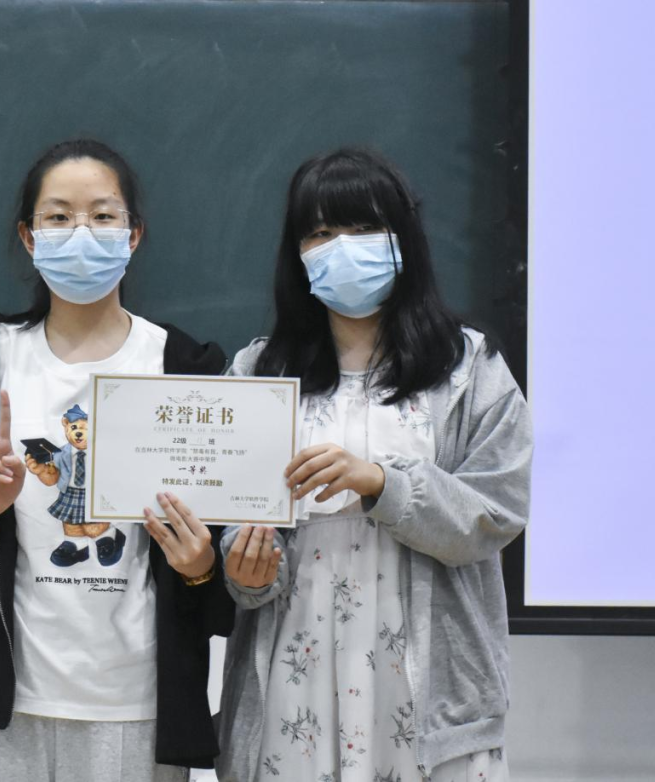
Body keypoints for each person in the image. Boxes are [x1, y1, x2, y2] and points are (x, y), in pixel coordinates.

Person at [0, 139, 235, 782]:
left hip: (135, 702)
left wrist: (199, 566)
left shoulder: (184, 367)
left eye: (102, 216)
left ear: (133, 235)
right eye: (58, 216)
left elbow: (222, 549)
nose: (81, 233)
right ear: (29, 236)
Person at [214, 148, 532, 781]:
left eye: (364, 229)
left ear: (403, 239)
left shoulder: (468, 368)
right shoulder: (258, 372)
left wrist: (383, 483)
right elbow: (231, 527)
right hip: (295, 670)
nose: (342, 249)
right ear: (297, 252)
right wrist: (247, 569)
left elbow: (496, 514)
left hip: (427, 686)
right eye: (321, 233)